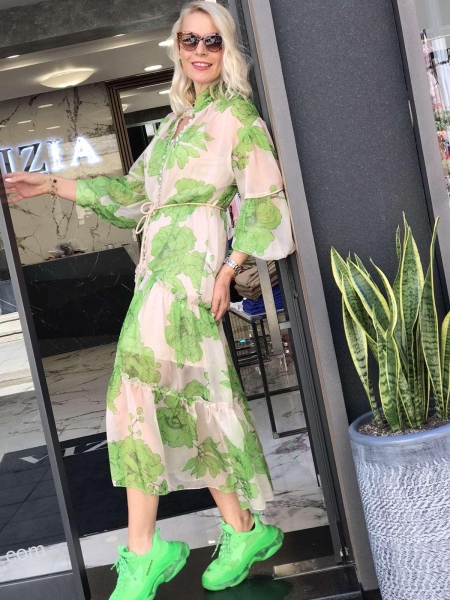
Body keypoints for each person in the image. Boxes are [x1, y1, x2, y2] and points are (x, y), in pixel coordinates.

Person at [3, 2, 295, 598]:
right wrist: (51, 182)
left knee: (135, 385)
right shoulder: (173, 125)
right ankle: (242, 529)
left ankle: (144, 552)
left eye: (212, 41)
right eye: (189, 40)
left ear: (227, 50)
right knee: (187, 394)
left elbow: (267, 199)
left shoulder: (238, 117)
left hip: (194, 264)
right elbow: (131, 194)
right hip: (157, 265)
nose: (200, 51)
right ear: (177, 46)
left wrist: (230, 268)